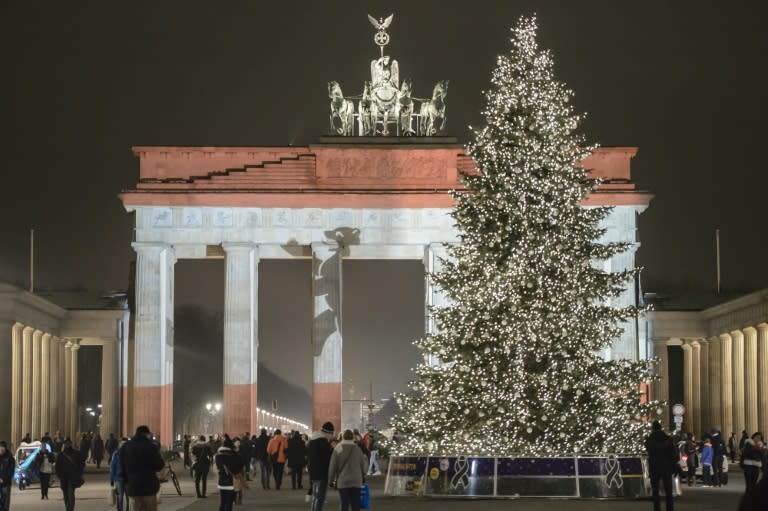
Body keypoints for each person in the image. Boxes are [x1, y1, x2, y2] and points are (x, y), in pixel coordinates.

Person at [120, 426, 165, 511]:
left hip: (133, 488)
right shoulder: (151, 446)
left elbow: (122, 468)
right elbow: (159, 465)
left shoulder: (125, 447)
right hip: (149, 488)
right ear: (146, 434)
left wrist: (126, 482)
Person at [328, 429, 368, 511]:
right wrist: (363, 475)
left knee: (344, 503)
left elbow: (332, 466)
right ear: (352, 437)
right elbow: (363, 465)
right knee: (356, 504)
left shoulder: (338, 448)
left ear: (343, 437)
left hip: (343, 481)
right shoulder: (357, 449)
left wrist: (330, 480)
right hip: (356, 480)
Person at [645, 420, 677, 511]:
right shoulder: (668, 439)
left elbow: (649, 451)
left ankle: (657, 508)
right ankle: (669, 509)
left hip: (655, 467)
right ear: (660, 428)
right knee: (668, 491)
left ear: (653, 428)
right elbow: (673, 455)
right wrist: (674, 467)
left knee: (655, 491)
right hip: (666, 467)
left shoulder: (649, 440)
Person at [308, 422, 334, 511]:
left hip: (313, 473)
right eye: (331, 434)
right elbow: (328, 458)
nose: (331, 436)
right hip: (322, 474)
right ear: (327, 433)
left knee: (315, 497)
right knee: (320, 498)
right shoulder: (323, 443)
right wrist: (333, 449)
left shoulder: (312, 441)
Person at [215, 438, 244, 511]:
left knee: (222, 502)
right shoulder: (234, 456)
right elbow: (239, 468)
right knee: (229, 503)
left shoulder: (218, 456)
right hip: (231, 482)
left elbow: (218, 467)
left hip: (221, 482)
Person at [56, 439, 85, 511]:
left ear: (70, 444)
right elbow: (57, 467)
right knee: (66, 495)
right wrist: (59, 475)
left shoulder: (75, 454)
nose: (67, 445)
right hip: (64, 477)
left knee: (70, 494)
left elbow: (81, 464)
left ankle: (70, 509)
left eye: (68, 443)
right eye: (66, 444)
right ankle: (68, 508)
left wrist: (79, 473)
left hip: (72, 477)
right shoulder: (61, 455)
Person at [109, 438, 128, 511]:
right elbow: (113, 467)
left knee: (128, 497)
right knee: (120, 497)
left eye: (125, 444)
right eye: (122, 444)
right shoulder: (116, 454)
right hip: (118, 478)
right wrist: (111, 479)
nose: (123, 446)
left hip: (128, 478)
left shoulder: (130, 453)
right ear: (119, 445)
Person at [0, 441, 15, 511]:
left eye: (2, 447)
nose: (1, 449)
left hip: (6, 483)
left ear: (5, 448)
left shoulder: (10, 458)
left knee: (5, 501)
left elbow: (11, 471)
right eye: (0, 447)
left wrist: (3, 479)